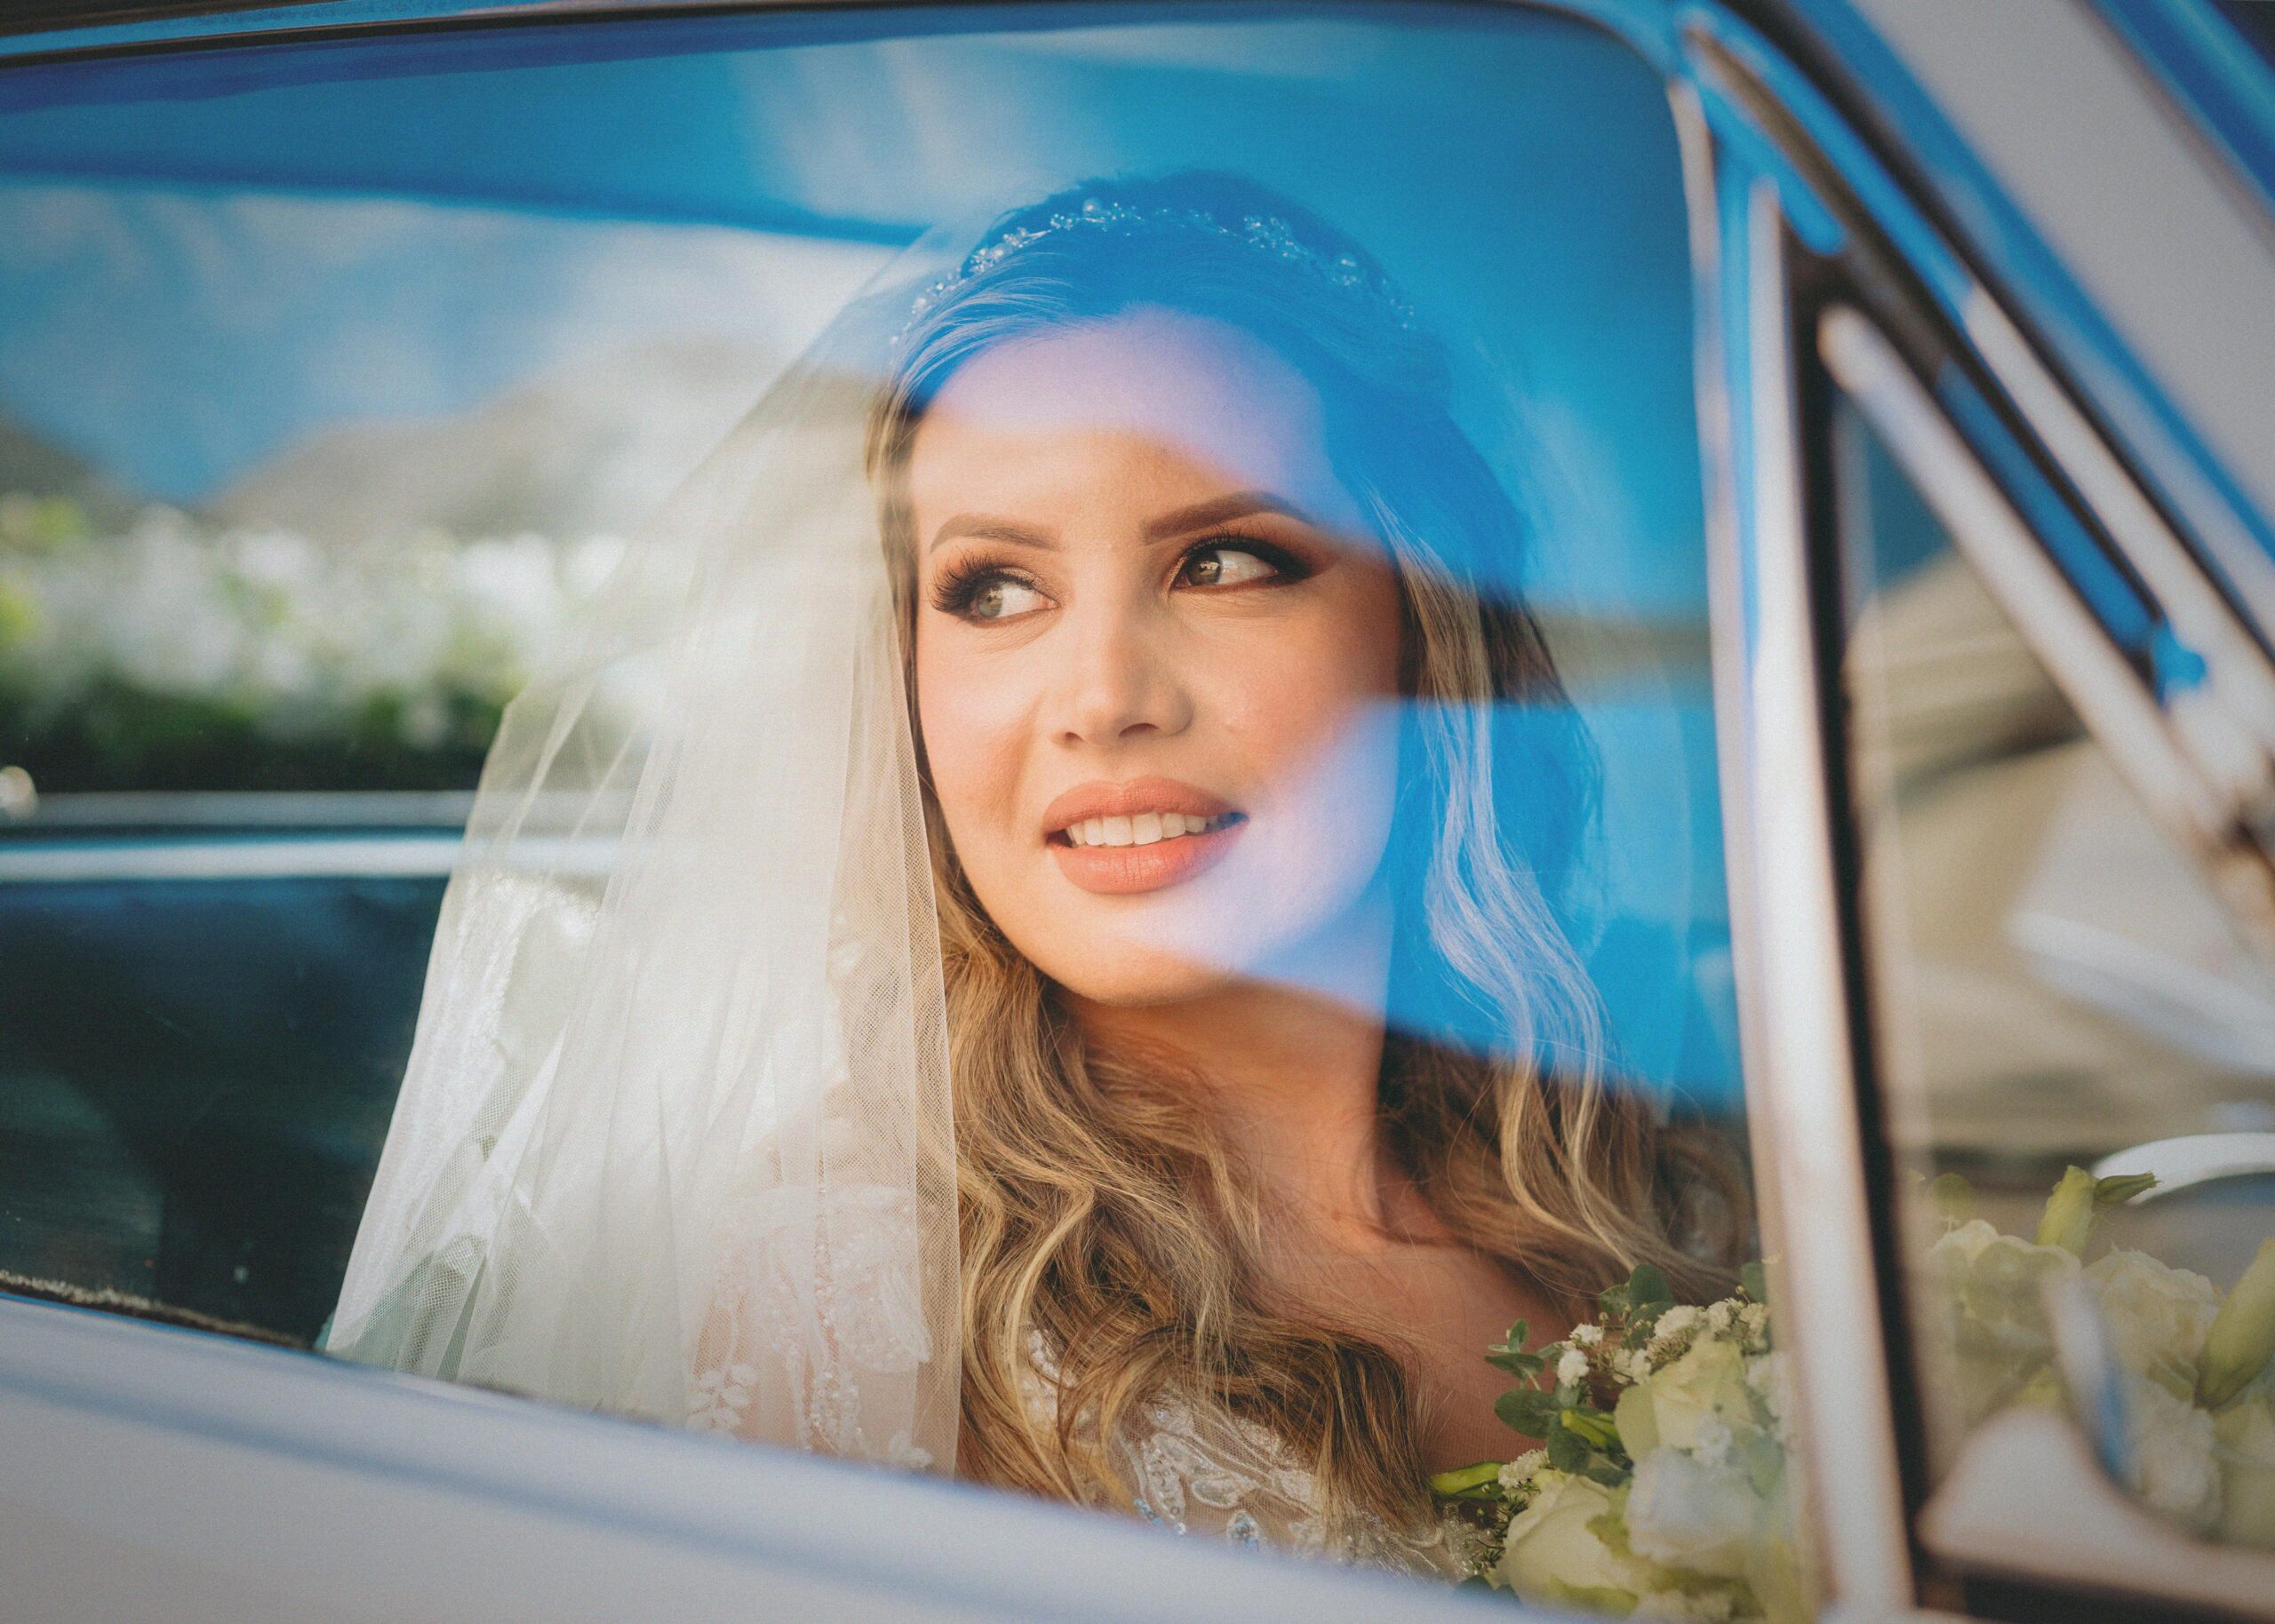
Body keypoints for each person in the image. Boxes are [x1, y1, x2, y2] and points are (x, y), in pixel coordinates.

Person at [327, 171, 1742, 1577]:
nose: (1103, 696)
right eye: (994, 592)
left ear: (1427, 634)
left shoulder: (1661, 1189)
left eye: (1224, 562)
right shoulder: (857, 1308)